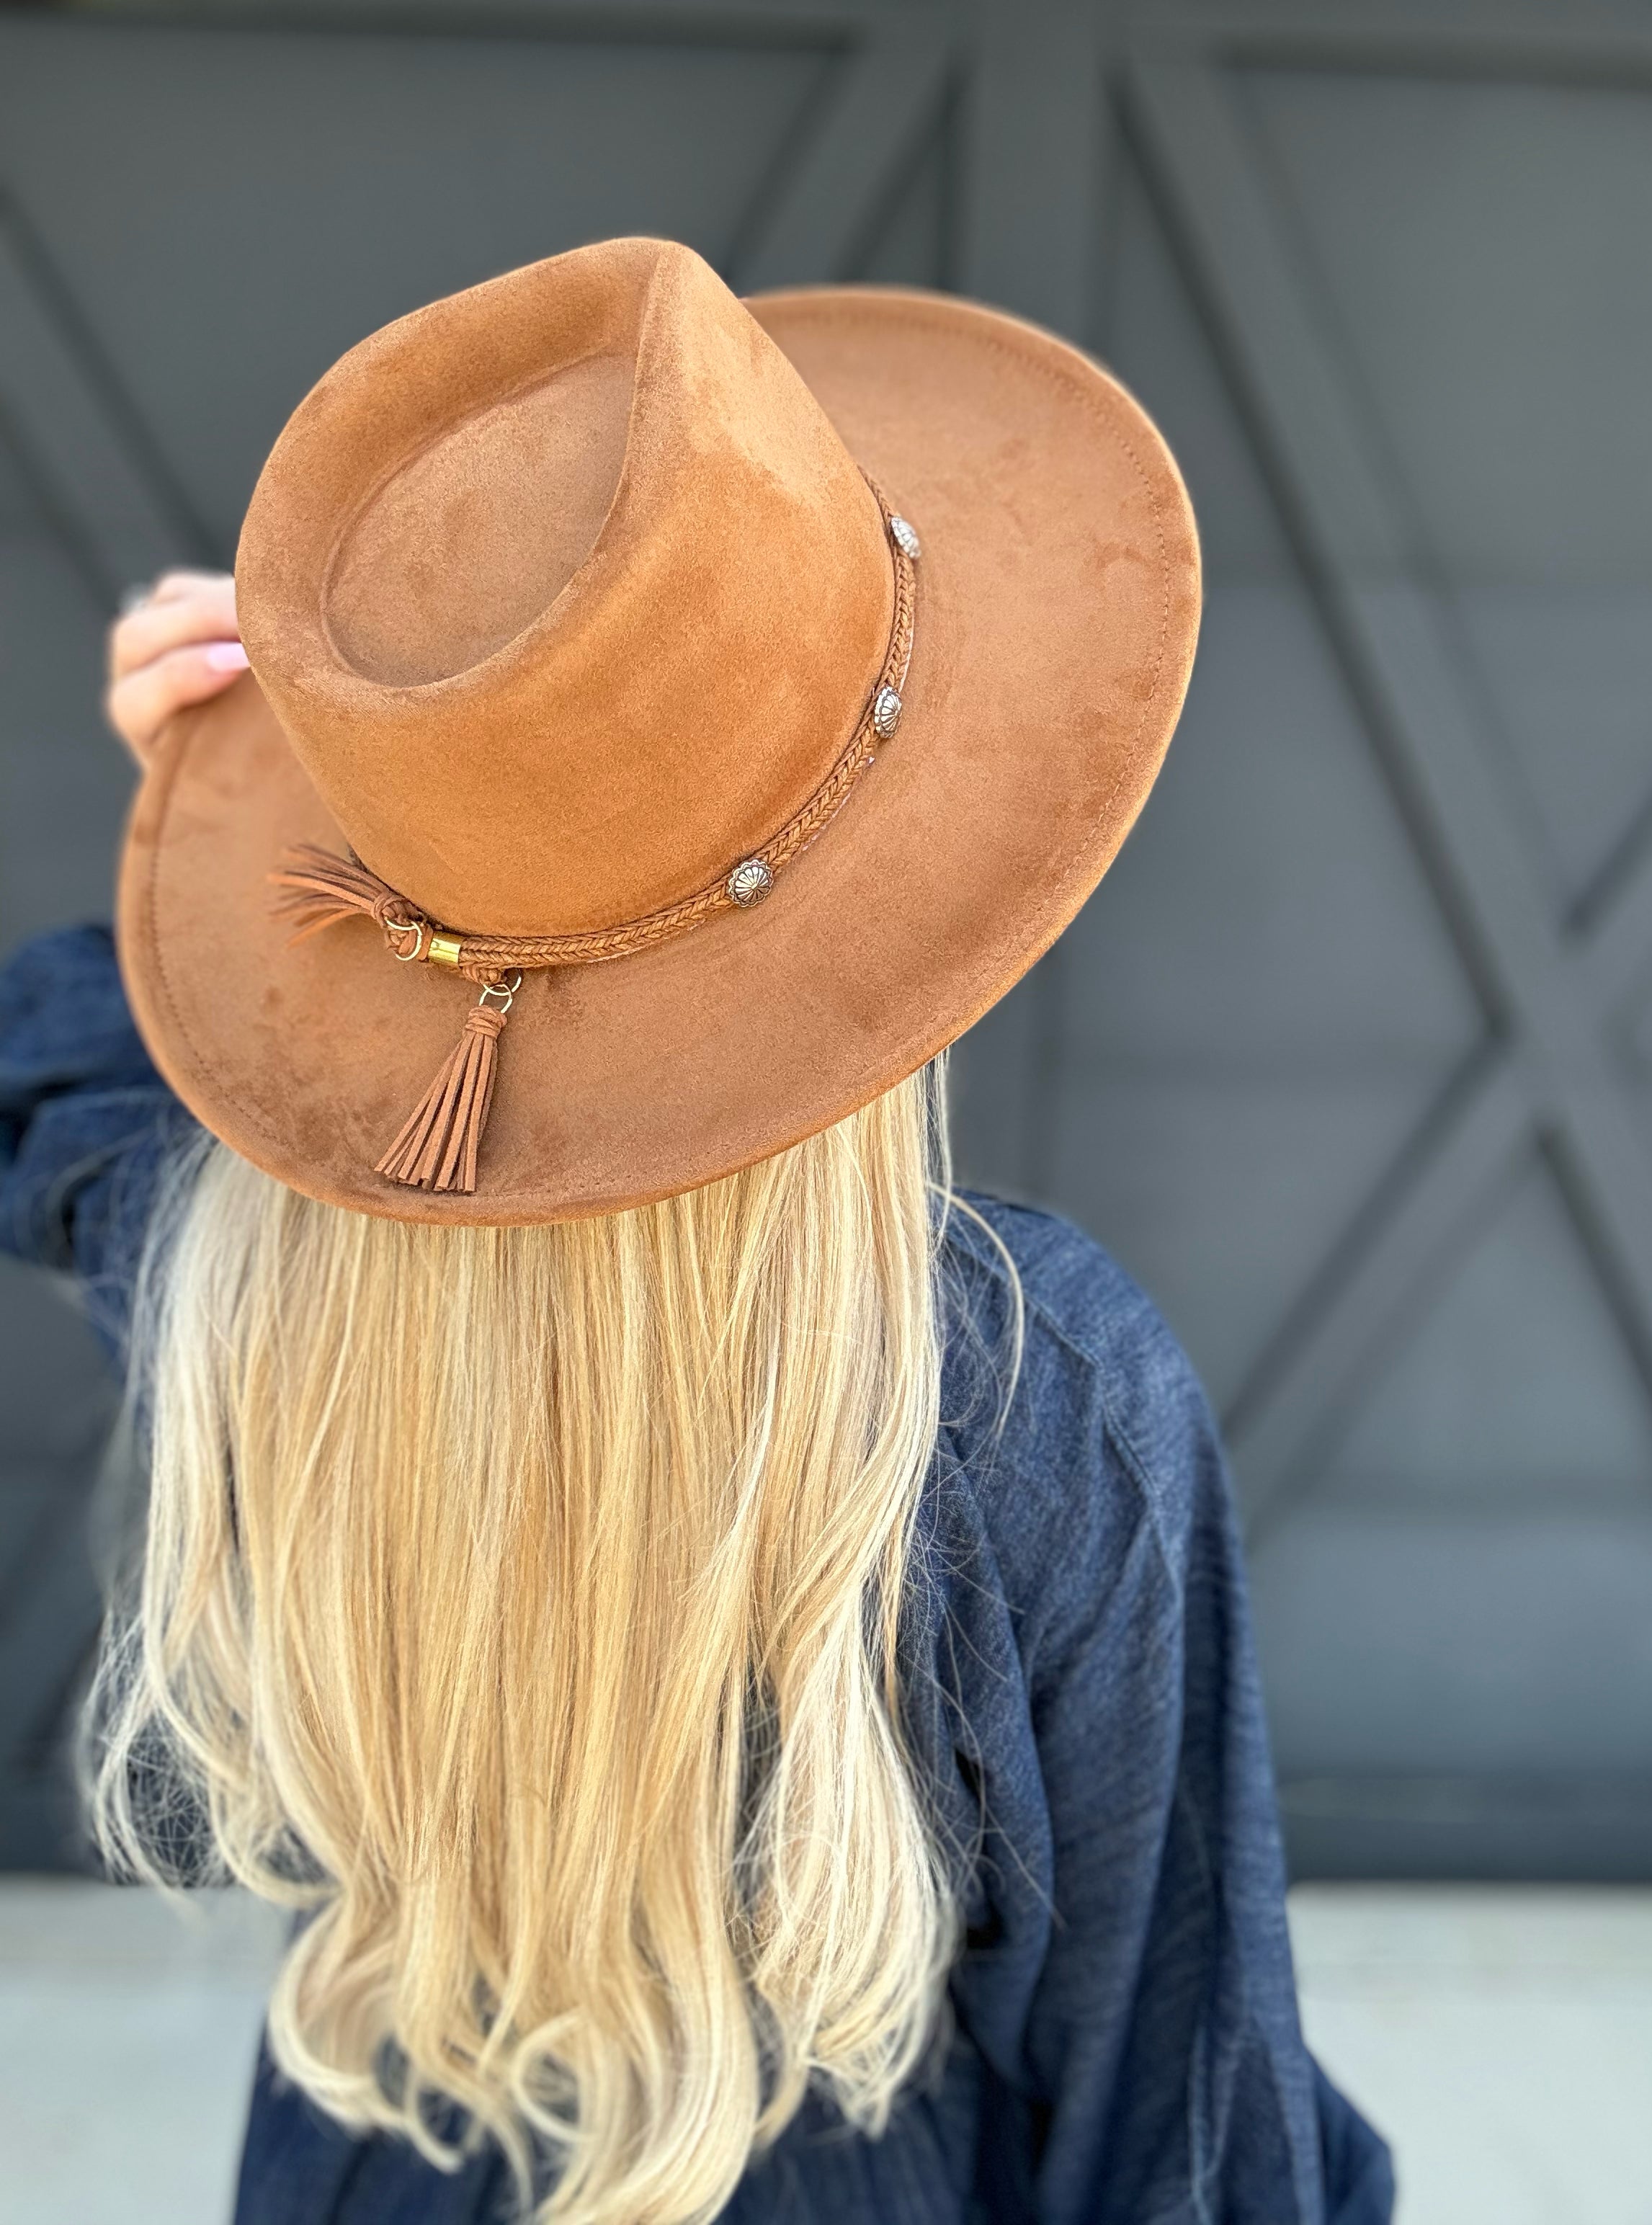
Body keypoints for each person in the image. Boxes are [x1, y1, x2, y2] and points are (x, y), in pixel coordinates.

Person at [0, 238, 1393, 2224]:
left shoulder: (236, 1268)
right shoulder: (1023, 1397)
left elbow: (53, 1062)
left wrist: (230, 799)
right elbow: (1166, 2098)